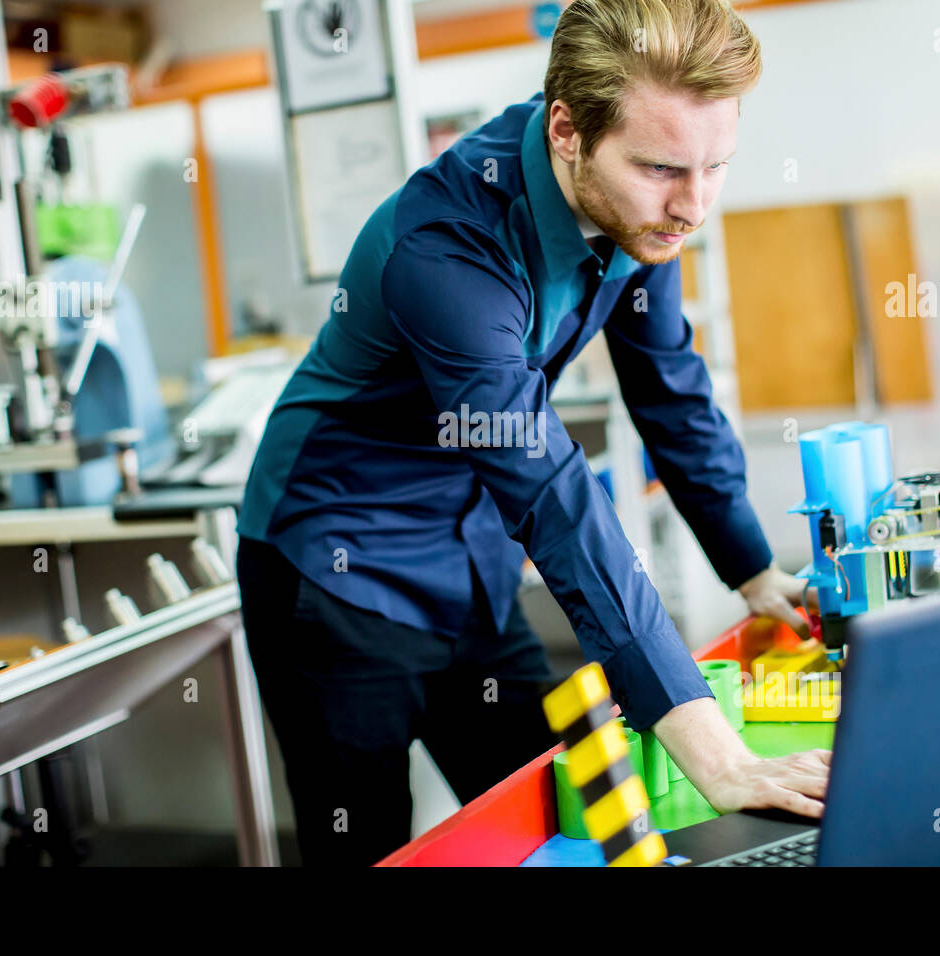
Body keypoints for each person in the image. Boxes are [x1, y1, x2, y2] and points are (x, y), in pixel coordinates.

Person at [236, 0, 829, 866]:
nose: (693, 205)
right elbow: (550, 490)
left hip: (468, 563)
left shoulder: (641, 213)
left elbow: (669, 391)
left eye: (716, 167)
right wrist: (716, 752)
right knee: (364, 846)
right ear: (566, 130)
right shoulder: (446, 244)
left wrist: (752, 570)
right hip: (336, 568)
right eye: (664, 168)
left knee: (561, 824)